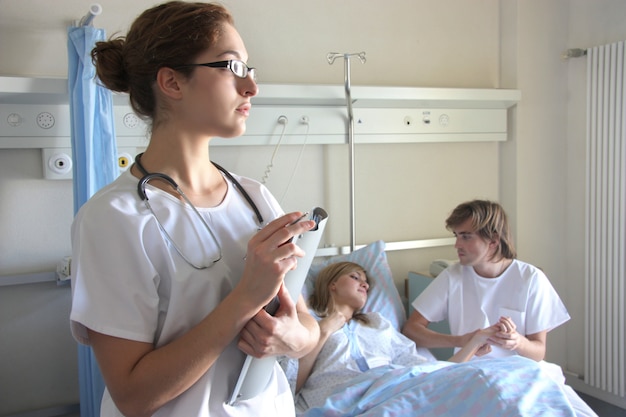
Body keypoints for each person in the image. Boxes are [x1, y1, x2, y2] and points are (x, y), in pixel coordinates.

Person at [69, 2, 319, 416]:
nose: (252, 87)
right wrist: (243, 300)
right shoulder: (112, 219)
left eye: (250, 70)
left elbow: (306, 324)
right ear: (171, 82)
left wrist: (292, 338)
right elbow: (132, 395)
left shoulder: (256, 197)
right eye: (233, 67)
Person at [295, 261, 503, 411]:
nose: (365, 285)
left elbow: (431, 373)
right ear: (332, 284)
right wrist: (323, 331)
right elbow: (292, 382)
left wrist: (474, 342)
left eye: (366, 282)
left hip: (391, 392)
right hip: (339, 400)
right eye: (355, 277)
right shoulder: (308, 321)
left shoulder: (378, 323)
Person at [402, 199, 571, 362]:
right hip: (472, 371)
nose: (457, 245)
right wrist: (461, 341)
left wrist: (518, 342)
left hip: (519, 372)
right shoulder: (453, 277)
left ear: (493, 241)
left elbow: (539, 352)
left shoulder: (531, 279)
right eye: (457, 235)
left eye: (466, 237)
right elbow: (411, 330)